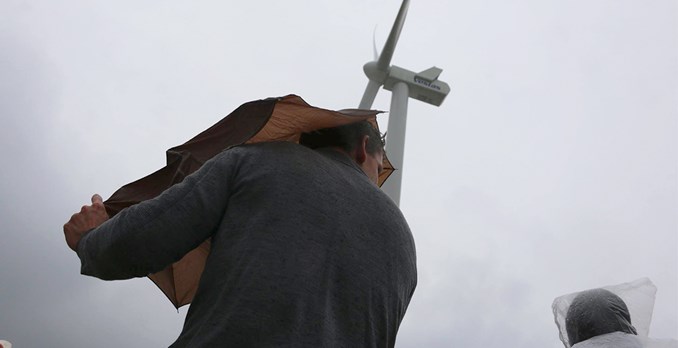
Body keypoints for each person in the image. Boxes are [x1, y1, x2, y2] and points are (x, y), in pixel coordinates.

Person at [63, 120, 417, 348]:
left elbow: (141, 239)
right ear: (364, 147)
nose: (377, 175)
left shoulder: (257, 160)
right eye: (379, 163)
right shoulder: (403, 238)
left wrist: (92, 238)